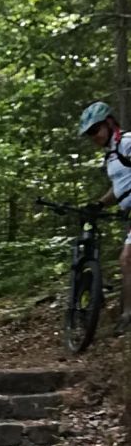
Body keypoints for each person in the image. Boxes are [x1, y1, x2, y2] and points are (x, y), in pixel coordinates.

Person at [78, 100, 131, 334]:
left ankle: (128, 316)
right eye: (89, 134)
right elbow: (119, 186)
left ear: (110, 123)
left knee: (127, 259)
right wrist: (99, 204)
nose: (93, 137)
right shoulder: (111, 155)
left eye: (95, 130)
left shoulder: (127, 142)